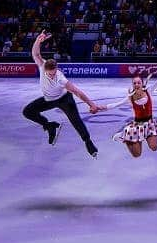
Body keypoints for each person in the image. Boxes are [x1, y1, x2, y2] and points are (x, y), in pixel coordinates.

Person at [21, 30, 102, 158]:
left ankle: (88, 142)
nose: (52, 76)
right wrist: (38, 40)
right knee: (27, 112)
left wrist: (91, 104)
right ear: (45, 70)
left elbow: (77, 92)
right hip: (49, 99)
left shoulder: (61, 78)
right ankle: (50, 126)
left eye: (54, 73)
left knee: (76, 121)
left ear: (57, 69)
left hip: (64, 100)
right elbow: (35, 53)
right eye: (50, 74)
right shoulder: (42, 66)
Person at [100, 63, 157, 158]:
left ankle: (135, 137)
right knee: (137, 154)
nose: (137, 84)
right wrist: (99, 108)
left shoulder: (148, 91)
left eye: (139, 83)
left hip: (150, 124)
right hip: (137, 126)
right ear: (132, 85)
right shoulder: (130, 97)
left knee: (154, 147)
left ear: (142, 84)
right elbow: (116, 104)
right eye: (134, 83)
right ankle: (123, 136)